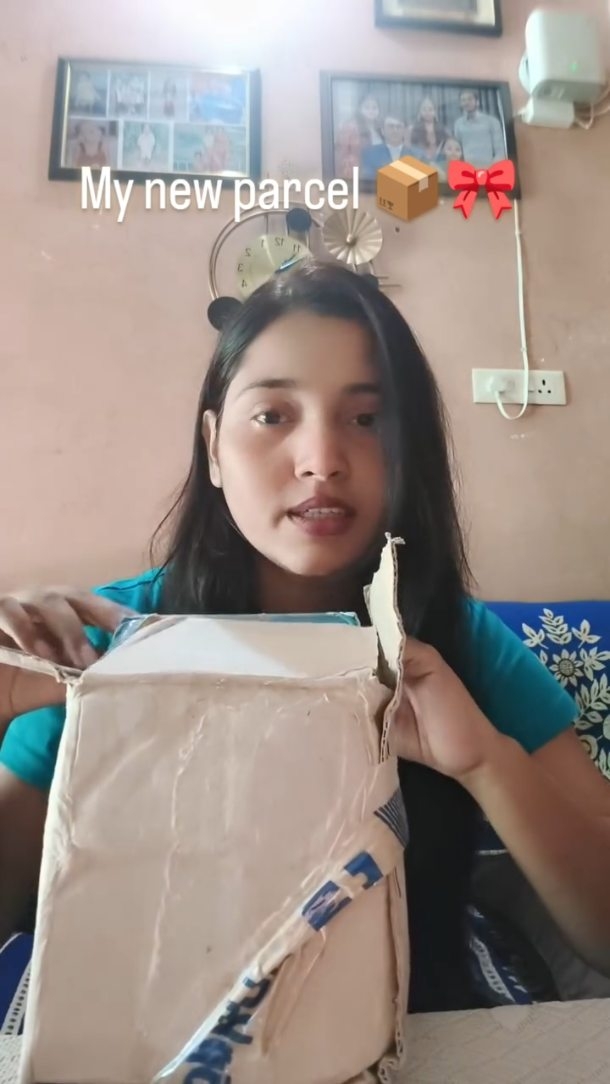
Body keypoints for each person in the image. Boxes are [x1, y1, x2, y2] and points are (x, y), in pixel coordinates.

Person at [1, 264, 610, 1015]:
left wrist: (487, 761)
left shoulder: (455, 642)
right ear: (213, 446)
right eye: (273, 415)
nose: (322, 459)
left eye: (367, 419)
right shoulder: (99, 646)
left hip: (412, 1013)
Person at [335, 95, 384, 179]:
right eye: (367, 107)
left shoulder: (380, 127)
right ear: (360, 109)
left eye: (374, 108)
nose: (371, 111)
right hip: (358, 175)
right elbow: (342, 154)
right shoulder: (350, 127)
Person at [454, 89, 505, 166]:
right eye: (463, 100)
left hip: (489, 169)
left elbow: (500, 152)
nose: (466, 102)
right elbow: (457, 149)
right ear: (460, 104)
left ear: (477, 102)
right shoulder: (458, 123)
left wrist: (490, 169)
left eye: (470, 99)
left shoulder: (492, 121)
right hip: (467, 170)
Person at [408, 97, 450, 162]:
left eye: (430, 109)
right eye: (424, 109)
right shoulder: (413, 130)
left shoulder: (443, 130)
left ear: (435, 112)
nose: (427, 112)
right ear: (419, 112)